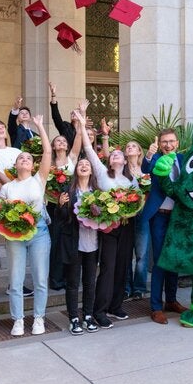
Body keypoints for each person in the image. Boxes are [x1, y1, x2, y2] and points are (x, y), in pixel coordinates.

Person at [78, 111, 136, 328]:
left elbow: (137, 202)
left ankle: (116, 305)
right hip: (108, 227)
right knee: (108, 268)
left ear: (125, 160)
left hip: (127, 226)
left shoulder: (131, 180)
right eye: (113, 155)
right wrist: (82, 125)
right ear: (109, 160)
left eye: (119, 154)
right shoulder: (102, 173)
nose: (116, 156)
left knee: (122, 266)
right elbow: (88, 149)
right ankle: (99, 311)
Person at [0, 114, 52, 336]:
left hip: (39, 232)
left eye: (28, 158)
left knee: (40, 278)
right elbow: (1, 215)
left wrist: (39, 126)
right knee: (15, 280)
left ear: (33, 165)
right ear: (15, 164)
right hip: (15, 236)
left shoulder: (39, 179)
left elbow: (47, 152)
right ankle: (18, 320)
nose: (25, 160)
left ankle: (38, 318)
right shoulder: (7, 188)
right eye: (21, 158)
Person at [139, 128, 189, 324]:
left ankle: (171, 300)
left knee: (173, 259)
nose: (168, 145)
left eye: (171, 141)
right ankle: (156, 307)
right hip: (159, 216)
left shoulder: (183, 159)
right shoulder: (155, 158)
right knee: (160, 260)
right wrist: (149, 154)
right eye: (164, 142)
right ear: (159, 144)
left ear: (177, 143)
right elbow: (145, 168)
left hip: (178, 217)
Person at [55, 128, 101, 335]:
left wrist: (98, 212)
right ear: (76, 170)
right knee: (73, 283)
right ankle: (74, 317)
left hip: (93, 244)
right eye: (80, 164)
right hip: (74, 243)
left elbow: (104, 218)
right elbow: (62, 220)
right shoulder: (68, 191)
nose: (83, 166)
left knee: (90, 282)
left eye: (87, 165)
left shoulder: (98, 193)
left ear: (91, 171)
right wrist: (61, 206)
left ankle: (88, 315)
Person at [47, 129, 81, 292]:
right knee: (55, 242)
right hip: (53, 206)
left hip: (70, 205)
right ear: (53, 146)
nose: (61, 142)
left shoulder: (72, 158)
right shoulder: (48, 162)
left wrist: (80, 124)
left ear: (67, 146)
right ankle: (55, 279)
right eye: (58, 141)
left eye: (64, 141)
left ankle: (69, 278)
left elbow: (78, 139)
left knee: (69, 241)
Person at [123, 139, 150, 300]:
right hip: (126, 216)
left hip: (143, 214)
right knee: (126, 253)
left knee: (142, 254)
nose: (130, 148)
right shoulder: (121, 170)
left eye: (134, 146)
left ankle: (139, 288)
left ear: (140, 151)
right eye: (128, 146)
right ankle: (126, 287)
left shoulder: (146, 169)